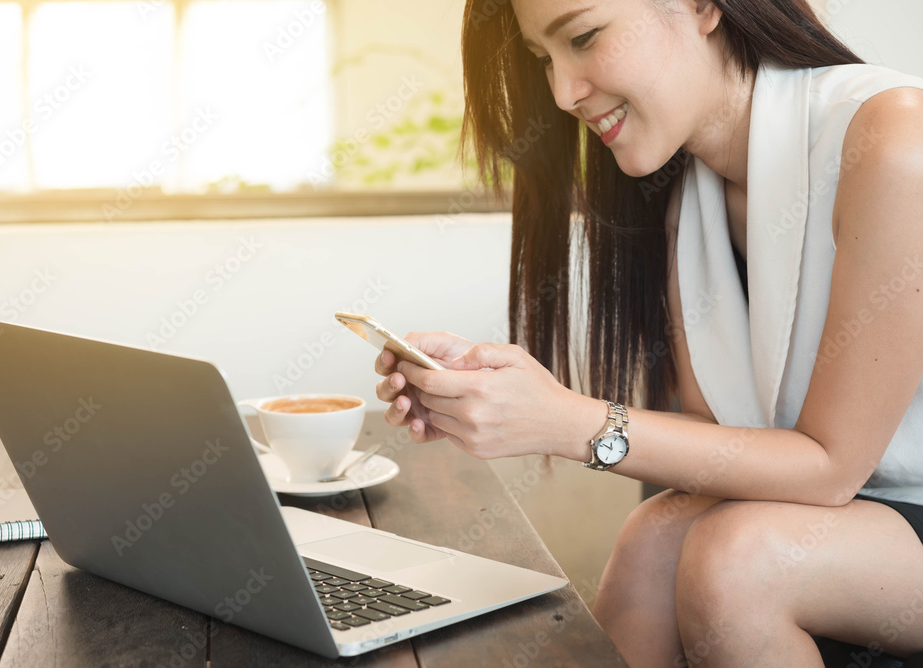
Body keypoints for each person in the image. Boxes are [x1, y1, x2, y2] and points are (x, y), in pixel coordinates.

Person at [373, 0, 923, 665]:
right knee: (654, 536)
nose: (563, 92)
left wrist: (564, 422)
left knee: (739, 562)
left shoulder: (894, 143)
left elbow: (831, 468)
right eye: (544, 59)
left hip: (887, 504)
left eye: (584, 36)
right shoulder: (684, 193)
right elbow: (717, 444)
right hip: (855, 517)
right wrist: (503, 398)